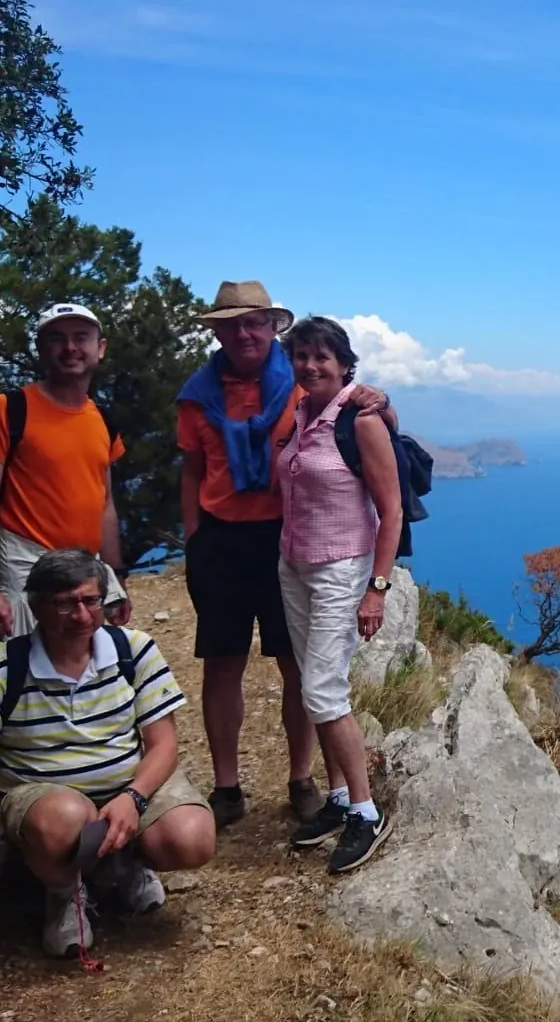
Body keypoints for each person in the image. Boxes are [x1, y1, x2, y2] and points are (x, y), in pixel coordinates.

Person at [0, 549, 215, 957]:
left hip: (128, 788)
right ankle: (64, 890)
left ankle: (122, 864)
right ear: (35, 608)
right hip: (46, 800)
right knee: (63, 818)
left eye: (89, 600)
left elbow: (163, 743)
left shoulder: (133, 650)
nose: (81, 616)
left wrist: (133, 798)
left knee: (191, 837)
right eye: (63, 603)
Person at [176, 280, 396, 829]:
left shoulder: (300, 388)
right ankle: (227, 785)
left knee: (298, 669)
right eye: (233, 324)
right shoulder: (198, 395)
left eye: (256, 322)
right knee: (222, 663)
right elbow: (192, 469)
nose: (245, 333)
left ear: (271, 328)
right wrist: (194, 538)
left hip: (287, 537)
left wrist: (381, 400)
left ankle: (304, 778)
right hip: (224, 541)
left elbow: (365, 422)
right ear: (217, 332)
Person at [274, 316, 403, 874]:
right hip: (294, 565)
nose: (310, 365)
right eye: (301, 355)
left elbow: (391, 511)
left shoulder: (362, 418)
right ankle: (340, 798)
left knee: (325, 693)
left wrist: (376, 589)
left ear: (345, 363)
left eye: (321, 356)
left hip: (341, 569)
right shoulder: (302, 413)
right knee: (308, 682)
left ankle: (367, 812)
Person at [0, 303, 131, 665]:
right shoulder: (10, 409)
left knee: (84, 667)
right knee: (6, 671)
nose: (70, 348)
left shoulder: (102, 420)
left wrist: (116, 578)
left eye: (80, 338)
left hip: (87, 569)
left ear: (100, 347)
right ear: (41, 350)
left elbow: (105, 504)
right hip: (24, 566)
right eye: (57, 339)